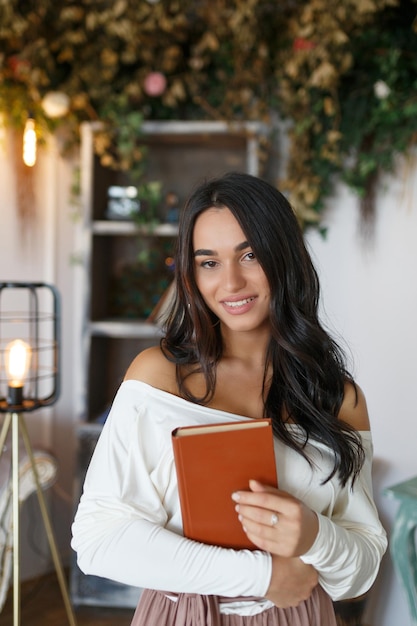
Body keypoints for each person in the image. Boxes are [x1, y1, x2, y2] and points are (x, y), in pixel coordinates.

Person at [71, 172, 387, 625]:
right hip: (181, 615)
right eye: (209, 262)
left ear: (285, 258)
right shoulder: (156, 378)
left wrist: (316, 536)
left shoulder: (337, 397)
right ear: (191, 273)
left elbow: (362, 571)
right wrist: (261, 576)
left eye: (250, 254)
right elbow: (99, 539)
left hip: (300, 615)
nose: (231, 282)